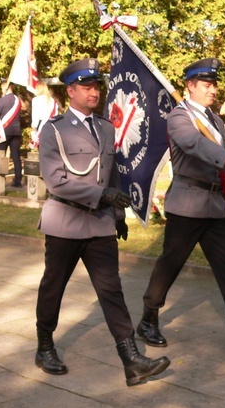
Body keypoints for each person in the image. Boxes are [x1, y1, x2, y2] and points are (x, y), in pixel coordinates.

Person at [34, 58, 170, 387]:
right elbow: (56, 182)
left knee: (111, 291)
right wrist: (104, 196)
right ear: (71, 91)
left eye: (97, 87)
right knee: (54, 285)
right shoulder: (53, 129)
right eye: (87, 87)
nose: (94, 92)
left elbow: (112, 174)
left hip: (100, 223)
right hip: (65, 221)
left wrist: (119, 214)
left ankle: (131, 360)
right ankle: (45, 346)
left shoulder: (106, 128)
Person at [136, 58, 225, 361]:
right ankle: (148, 318)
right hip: (188, 204)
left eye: (214, 84)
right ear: (190, 86)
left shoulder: (215, 119)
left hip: (215, 205)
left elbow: (218, 150)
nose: (213, 89)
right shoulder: (178, 116)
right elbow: (194, 145)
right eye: (206, 84)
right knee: (170, 264)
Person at [0, 79, 23, 187]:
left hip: (4, 131)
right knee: (16, 156)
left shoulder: (2, 100)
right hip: (16, 130)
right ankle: (18, 180)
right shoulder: (17, 99)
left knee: (1, 155)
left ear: (5, 87)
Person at [29, 81, 58, 149]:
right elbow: (55, 114)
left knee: (42, 150)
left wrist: (33, 130)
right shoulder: (52, 100)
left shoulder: (36, 100)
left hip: (40, 126)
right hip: (52, 126)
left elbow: (35, 116)